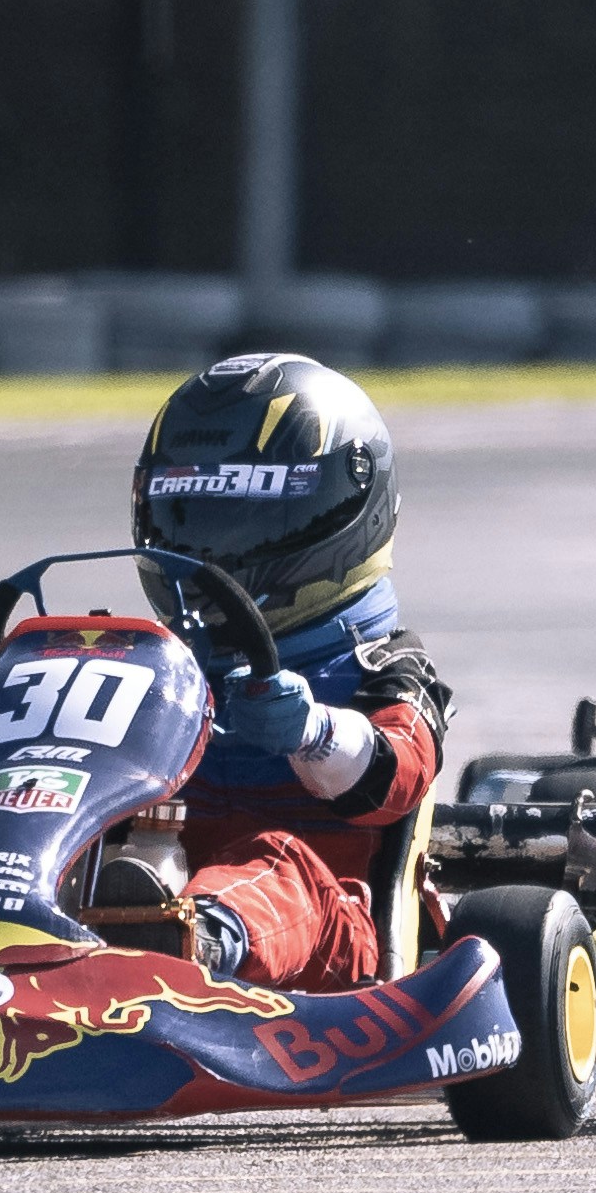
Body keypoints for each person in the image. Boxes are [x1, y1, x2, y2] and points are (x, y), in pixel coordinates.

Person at [117, 352, 449, 990]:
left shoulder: (383, 665)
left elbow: (396, 775)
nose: (211, 552)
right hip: (149, 878)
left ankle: (200, 936)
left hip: (329, 935)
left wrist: (313, 731)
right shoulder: (159, 666)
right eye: (194, 516)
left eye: (244, 516)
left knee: (274, 860)